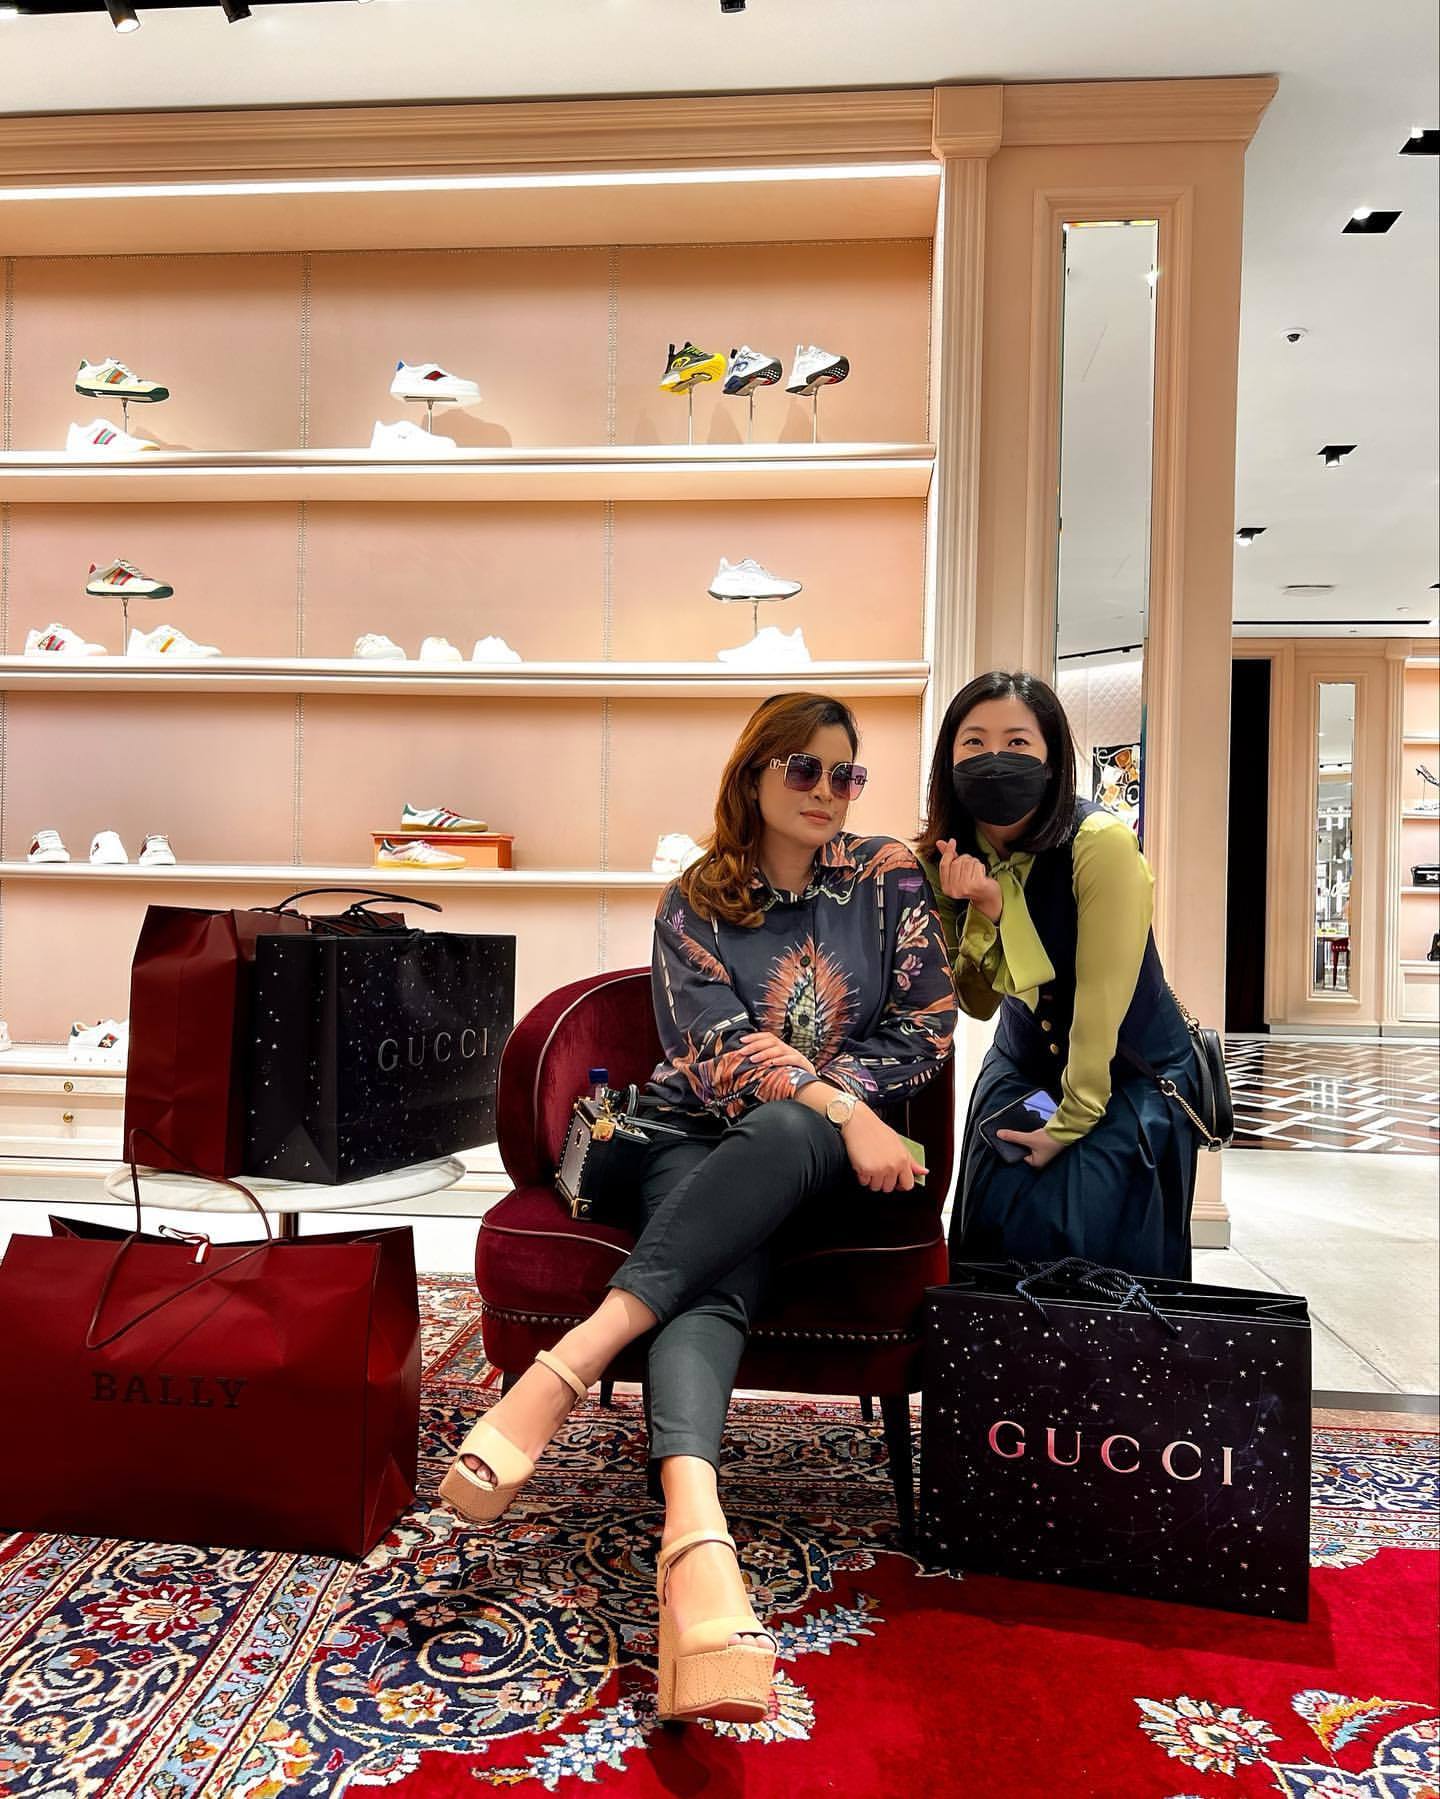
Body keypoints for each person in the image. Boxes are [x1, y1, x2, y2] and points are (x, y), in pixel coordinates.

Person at [440, 690, 956, 1725]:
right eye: (803, 768)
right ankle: (695, 1529)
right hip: (690, 1136)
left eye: (846, 773)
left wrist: (836, 1110)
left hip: (824, 1159)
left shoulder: (887, 877)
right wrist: (836, 1101)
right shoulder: (695, 897)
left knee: (792, 1131)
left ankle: (570, 1362)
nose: (826, 790)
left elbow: (927, 1023)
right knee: (716, 1273)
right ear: (754, 774)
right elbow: (713, 1051)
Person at [917, 669, 1200, 1280]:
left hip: (1123, 1071)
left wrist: (1070, 1122)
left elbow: (1101, 999)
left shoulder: (1100, 843)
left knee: (1082, 1225)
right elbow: (975, 1003)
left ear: (1051, 760)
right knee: (996, 1219)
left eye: (1018, 742)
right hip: (1024, 1063)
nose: (995, 758)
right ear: (949, 758)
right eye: (974, 742)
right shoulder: (947, 853)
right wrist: (981, 910)